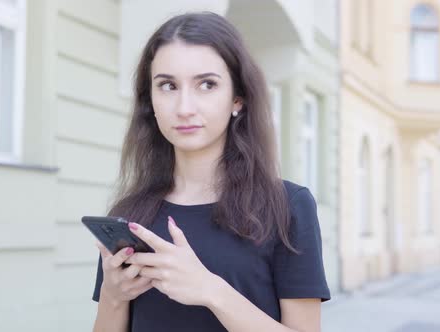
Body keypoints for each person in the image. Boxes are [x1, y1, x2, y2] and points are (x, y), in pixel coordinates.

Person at [91, 11, 330, 332]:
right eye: (168, 86)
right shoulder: (131, 216)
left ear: (238, 99)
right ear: (150, 100)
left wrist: (209, 289)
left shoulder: (287, 206)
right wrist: (113, 296)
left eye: (206, 84)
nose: (185, 107)